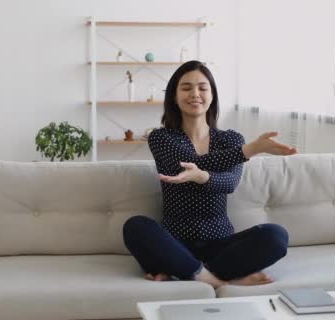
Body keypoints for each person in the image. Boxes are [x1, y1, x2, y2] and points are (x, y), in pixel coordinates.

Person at [123, 60, 298, 288]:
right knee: (135, 227)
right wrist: (250, 150)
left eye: (202, 88)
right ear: (174, 96)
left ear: (212, 95)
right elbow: (192, 162)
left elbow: (230, 183)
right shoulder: (161, 138)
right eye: (186, 88)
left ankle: (184, 272)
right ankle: (219, 280)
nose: (195, 94)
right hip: (175, 243)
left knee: (276, 236)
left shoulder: (231, 140)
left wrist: (203, 176)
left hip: (221, 245)